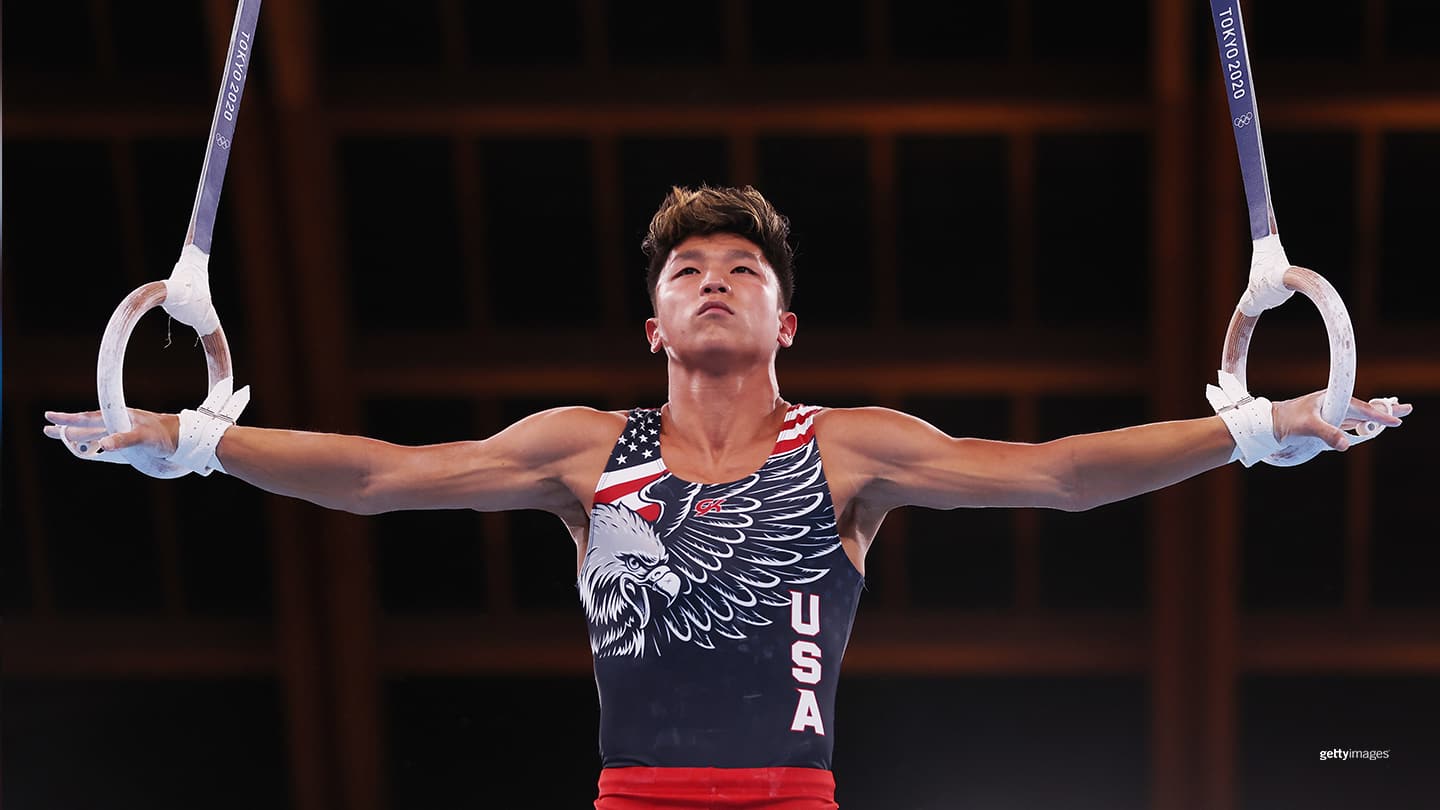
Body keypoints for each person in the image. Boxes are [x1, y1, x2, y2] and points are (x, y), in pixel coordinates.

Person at [45, 184, 1410, 809]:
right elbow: (386, 478)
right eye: (686, 269)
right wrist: (201, 440)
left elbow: (1052, 477)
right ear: (653, 326)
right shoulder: (585, 448)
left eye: (741, 270)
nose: (712, 277)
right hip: (632, 798)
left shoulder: (854, 447)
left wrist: (1252, 429)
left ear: (786, 320)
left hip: (790, 797)